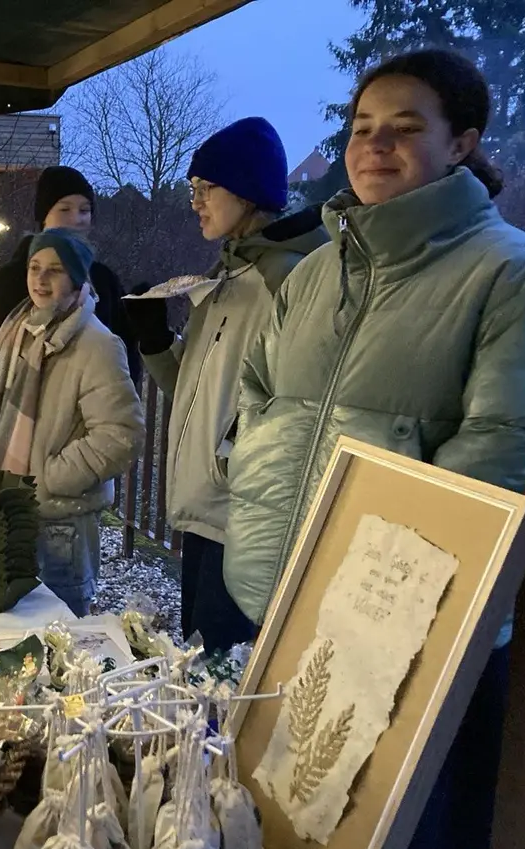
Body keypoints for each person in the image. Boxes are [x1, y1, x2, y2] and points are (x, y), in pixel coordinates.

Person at [220, 49, 525, 849]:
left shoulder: (509, 272)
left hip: (404, 636)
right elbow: (256, 395)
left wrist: (377, 593)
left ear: (461, 143)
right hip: (284, 607)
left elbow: (497, 454)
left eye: (405, 128)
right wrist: (258, 481)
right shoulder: (315, 274)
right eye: (363, 127)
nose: (375, 145)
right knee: (279, 838)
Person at [125, 116, 328, 652]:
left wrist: (230, 458)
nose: (195, 201)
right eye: (192, 188)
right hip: (203, 511)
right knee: (199, 668)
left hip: (245, 520)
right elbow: (196, 393)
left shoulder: (290, 280)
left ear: (246, 189)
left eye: (205, 187)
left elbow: (301, 407)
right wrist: (154, 340)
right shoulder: (224, 278)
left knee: (226, 677)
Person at [0, 228, 142, 615]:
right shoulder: (18, 331)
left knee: (60, 640)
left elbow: (122, 435)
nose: (40, 279)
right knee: (13, 630)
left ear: (77, 279)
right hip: (12, 512)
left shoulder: (97, 345)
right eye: (34, 267)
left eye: (55, 270)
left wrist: (50, 478)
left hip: (61, 526)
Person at [0, 166, 140, 398]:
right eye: (65, 209)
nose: (76, 219)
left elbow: (126, 355)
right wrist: (18, 403)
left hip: (94, 410)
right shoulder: (8, 281)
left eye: (84, 210)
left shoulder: (104, 280)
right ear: (43, 216)